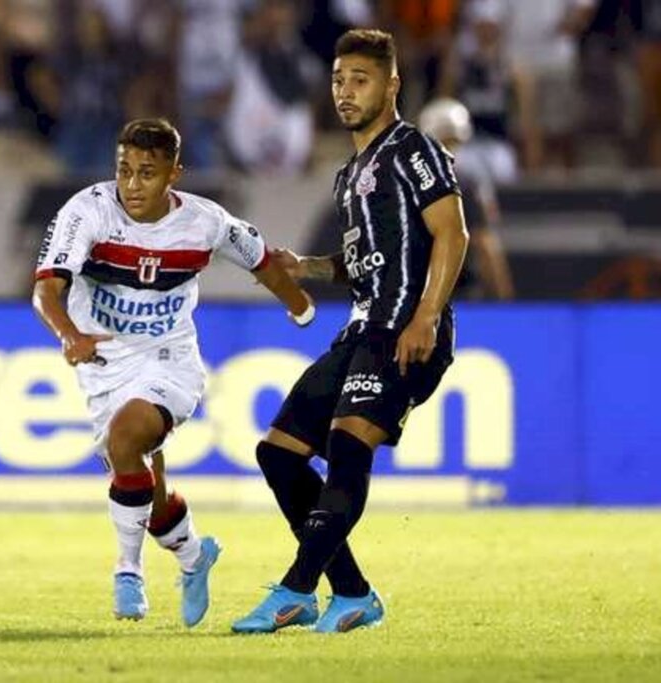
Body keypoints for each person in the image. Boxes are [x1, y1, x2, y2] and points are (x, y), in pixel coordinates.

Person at [231, 29, 469, 634]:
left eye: (360, 80)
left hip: (404, 330)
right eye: (339, 80)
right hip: (360, 332)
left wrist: (427, 314)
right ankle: (354, 593)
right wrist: (306, 267)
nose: (345, 91)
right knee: (279, 453)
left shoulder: (413, 148)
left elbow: (452, 232)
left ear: (392, 86)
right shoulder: (350, 175)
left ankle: (295, 588)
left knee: (345, 447)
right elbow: (366, 257)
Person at [32, 118, 315, 626]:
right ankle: (193, 557)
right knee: (147, 489)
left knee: (126, 440)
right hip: (102, 363)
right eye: (124, 171)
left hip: (170, 360)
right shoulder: (87, 211)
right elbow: (46, 289)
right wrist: (69, 335)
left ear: (174, 175)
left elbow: (262, 260)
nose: (132, 185)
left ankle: (127, 571)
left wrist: (301, 308)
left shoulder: (205, 223)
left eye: (147, 173)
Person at [419, 97, 514, 299]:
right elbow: (485, 243)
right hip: (451, 293)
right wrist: (505, 301)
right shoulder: (465, 183)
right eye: (447, 140)